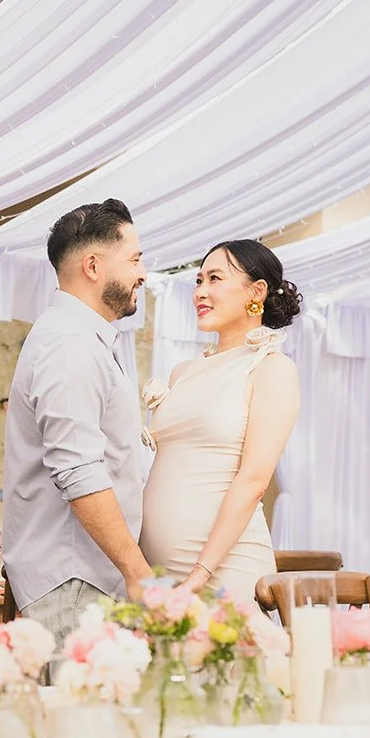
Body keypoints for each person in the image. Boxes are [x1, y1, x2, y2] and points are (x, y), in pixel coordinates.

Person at [2, 199, 150, 639]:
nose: (142, 273)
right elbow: (78, 470)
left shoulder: (82, 338)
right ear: (93, 266)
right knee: (79, 708)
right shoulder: (69, 344)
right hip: (73, 583)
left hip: (86, 579)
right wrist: (136, 569)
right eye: (134, 259)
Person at [139, 239, 302, 603]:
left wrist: (200, 574)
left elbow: (254, 479)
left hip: (223, 571)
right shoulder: (182, 371)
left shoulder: (272, 368)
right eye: (198, 281)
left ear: (256, 291)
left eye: (215, 279)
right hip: (159, 574)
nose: (201, 291)